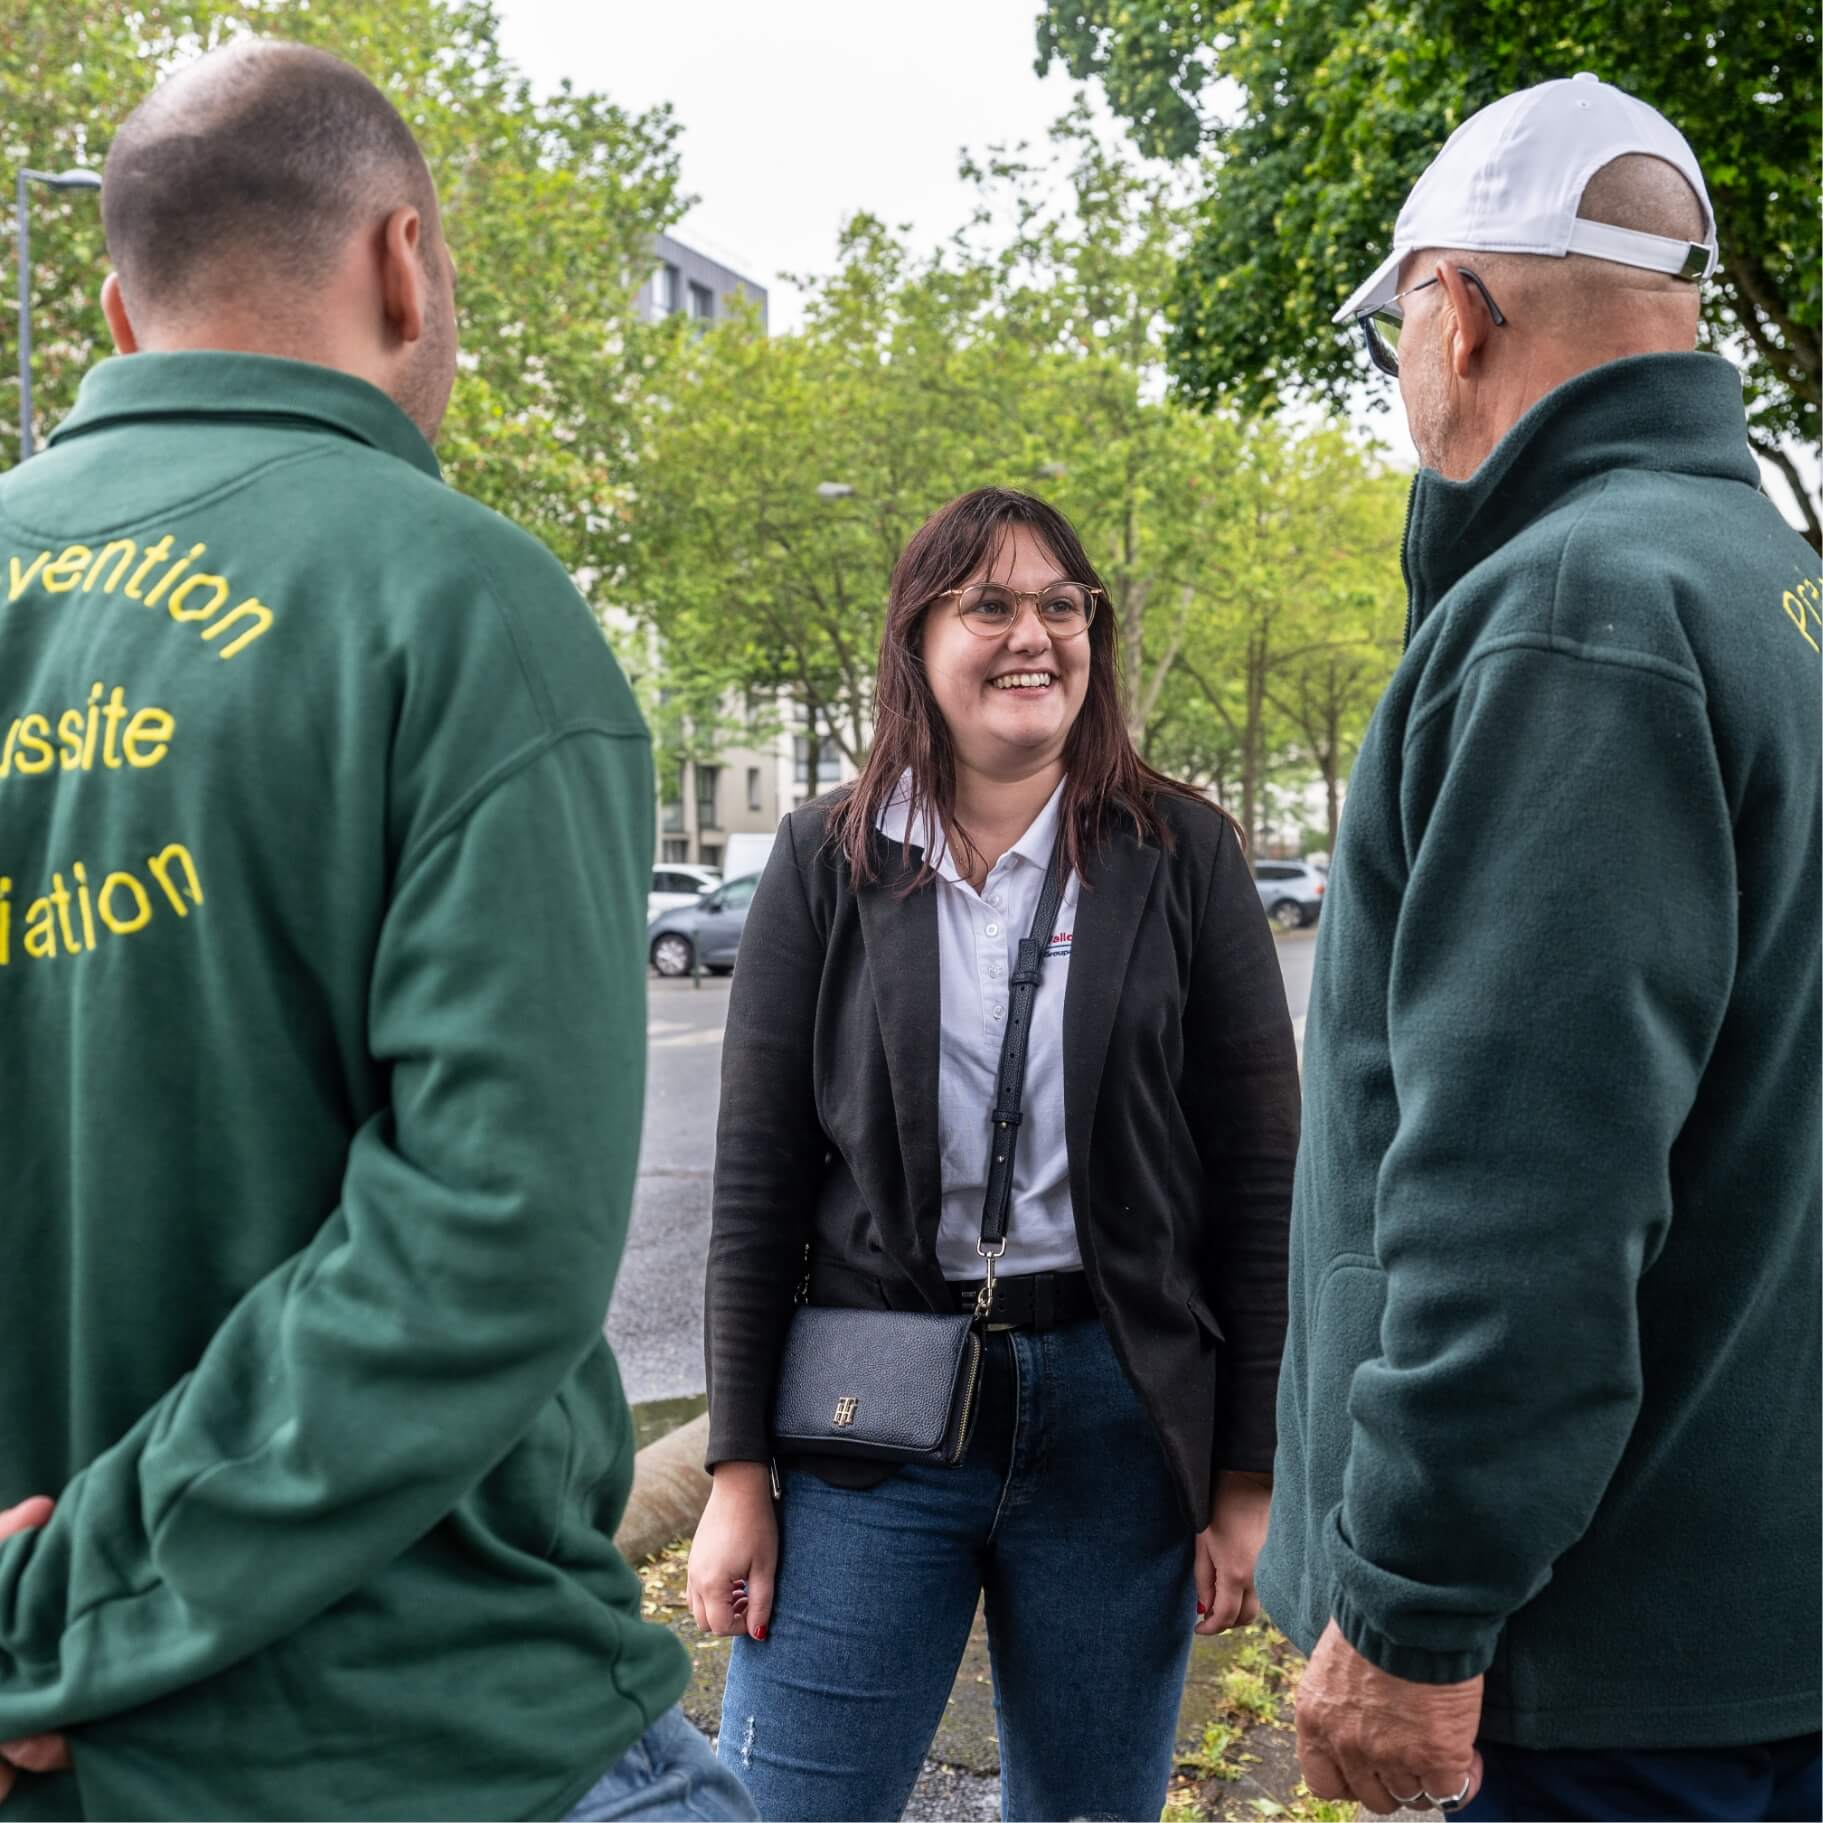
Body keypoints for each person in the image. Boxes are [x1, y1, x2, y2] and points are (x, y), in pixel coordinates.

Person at [0, 42, 751, 1823]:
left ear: (118, 306)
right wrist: (69, 1610)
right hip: (430, 1729)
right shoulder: (460, 602)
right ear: (402, 263)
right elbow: (487, 1240)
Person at [1258, 74, 1821, 1823]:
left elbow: (1526, 1184)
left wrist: (1414, 1610)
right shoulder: (1772, 580)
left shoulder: (1578, 614)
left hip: (1592, 1661)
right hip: (1741, 1607)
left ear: (1459, 310)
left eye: (1397, 329)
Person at [685, 486, 1302, 1821]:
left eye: (1062, 607)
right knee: (790, 1802)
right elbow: (757, 1191)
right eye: (992, 606)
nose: (1035, 635)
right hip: (872, 1414)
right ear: (918, 640)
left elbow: (1262, 1187)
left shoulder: (1180, 853)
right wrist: (739, 1478)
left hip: (1114, 1414)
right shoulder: (825, 860)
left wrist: (1245, 1477)